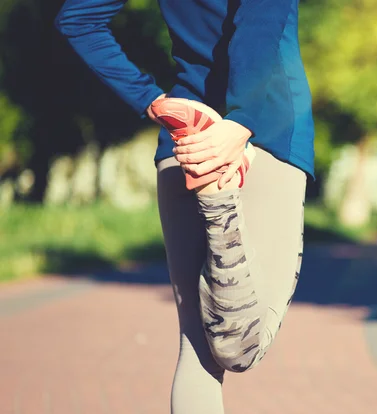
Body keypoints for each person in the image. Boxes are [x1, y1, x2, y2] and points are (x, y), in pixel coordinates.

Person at [54, 1, 315, 413]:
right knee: (243, 346)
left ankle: (216, 196)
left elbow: (77, 19)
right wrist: (240, 123)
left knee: (198, 353)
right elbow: (259, 25)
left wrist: (152, 101)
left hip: (186, 141)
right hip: (269, 136)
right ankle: (218, 198)